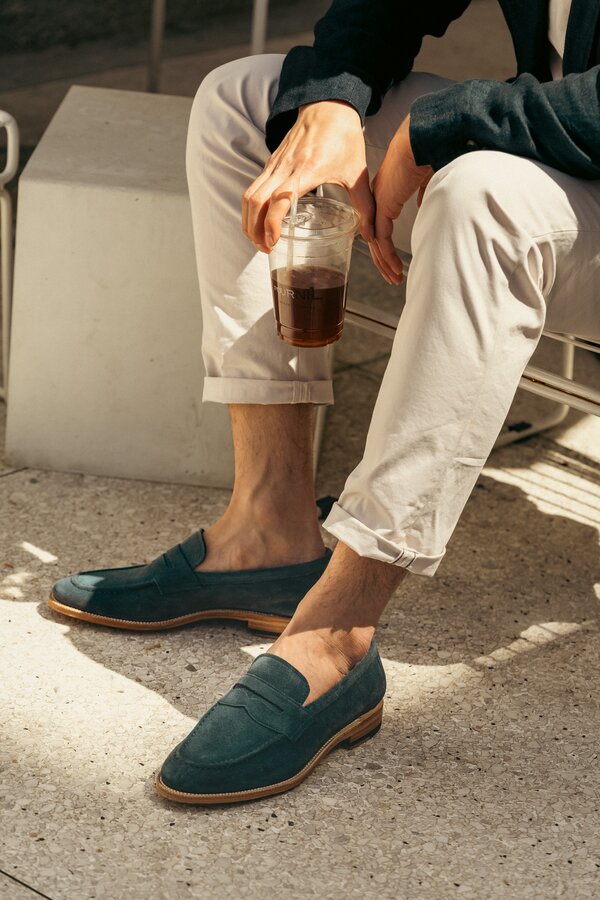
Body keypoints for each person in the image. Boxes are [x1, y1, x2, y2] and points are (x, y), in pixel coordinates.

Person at [50, 0, 600, 805]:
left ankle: (337, 632)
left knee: (485, 192)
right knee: (246, 102)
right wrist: (334, 103)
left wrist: (442, 125)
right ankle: (268, 529)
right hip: (564, 154)